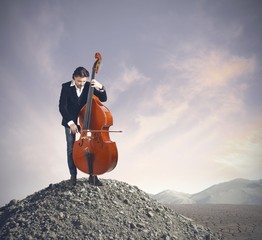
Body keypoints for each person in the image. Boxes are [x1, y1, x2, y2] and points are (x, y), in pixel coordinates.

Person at [59, 66, 107, 186]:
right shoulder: (65, 87)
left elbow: (104, 99)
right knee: (71, 148)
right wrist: (71, 123)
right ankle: (73, 176)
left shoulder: (88, 86)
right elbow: (62, 107)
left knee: (91, 147)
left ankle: (93, 175)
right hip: (70, 122)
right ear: (74, 78)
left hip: (85, 120)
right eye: (79, 81)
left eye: (84, 81)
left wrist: (100, 86)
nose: (81, 84)